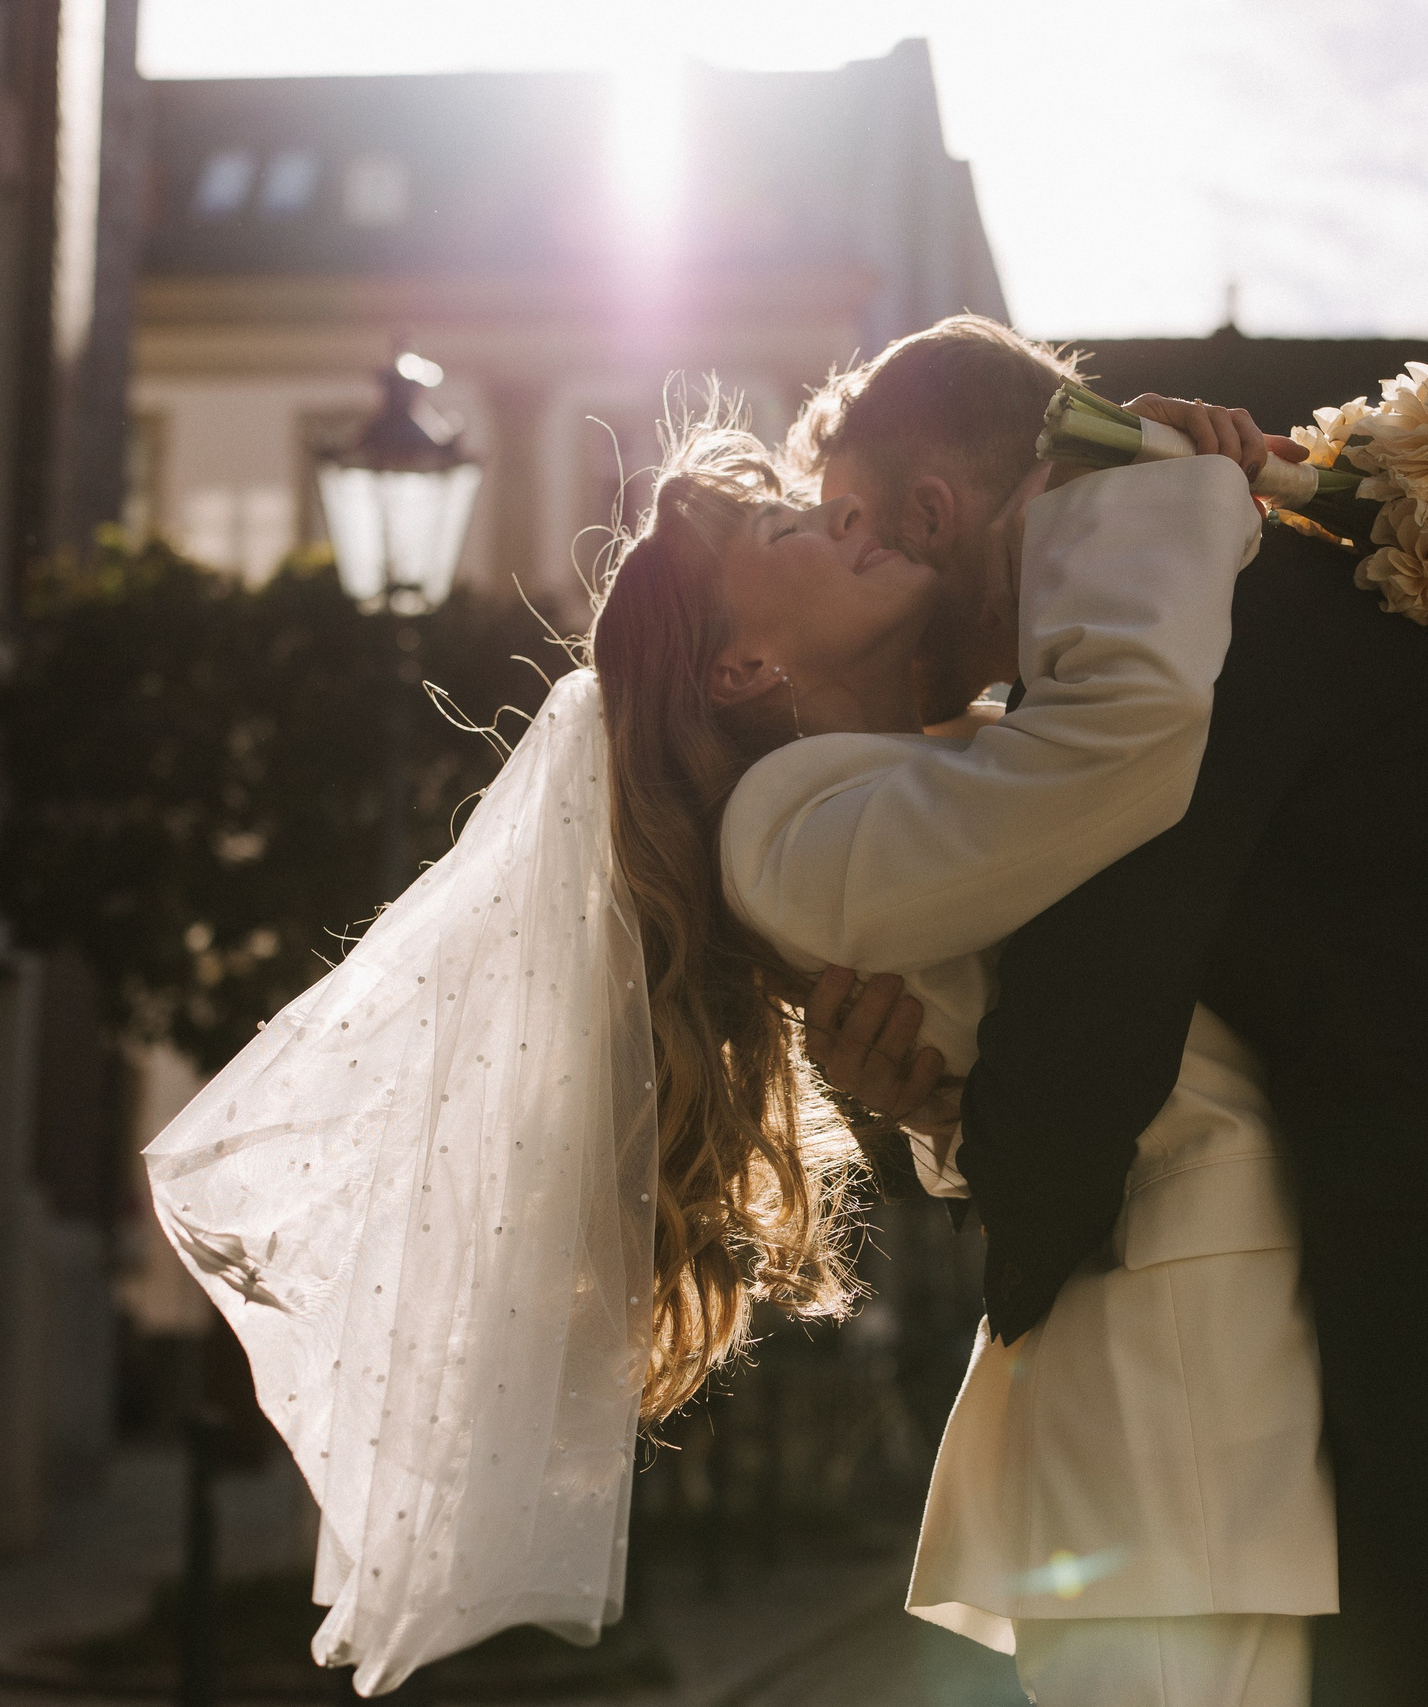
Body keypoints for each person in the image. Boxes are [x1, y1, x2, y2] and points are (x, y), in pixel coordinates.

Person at [148, 392, 1333, 1702]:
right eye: (794, 529)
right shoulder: (786, 826)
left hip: (1187, 1364)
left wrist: (944, 1116)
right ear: (742, 669)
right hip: (1170, 1384)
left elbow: (1060, 1024)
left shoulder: (935, 767)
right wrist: (1160, 486)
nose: (847, 524)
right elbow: (1126, 736)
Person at [797, 317, 1428, 1707]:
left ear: (937, 512)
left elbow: (1080, 1086)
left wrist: (964, 1133)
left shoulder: (1161, 632)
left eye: (849, 526)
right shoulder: (1203, 591)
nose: (843, 565)